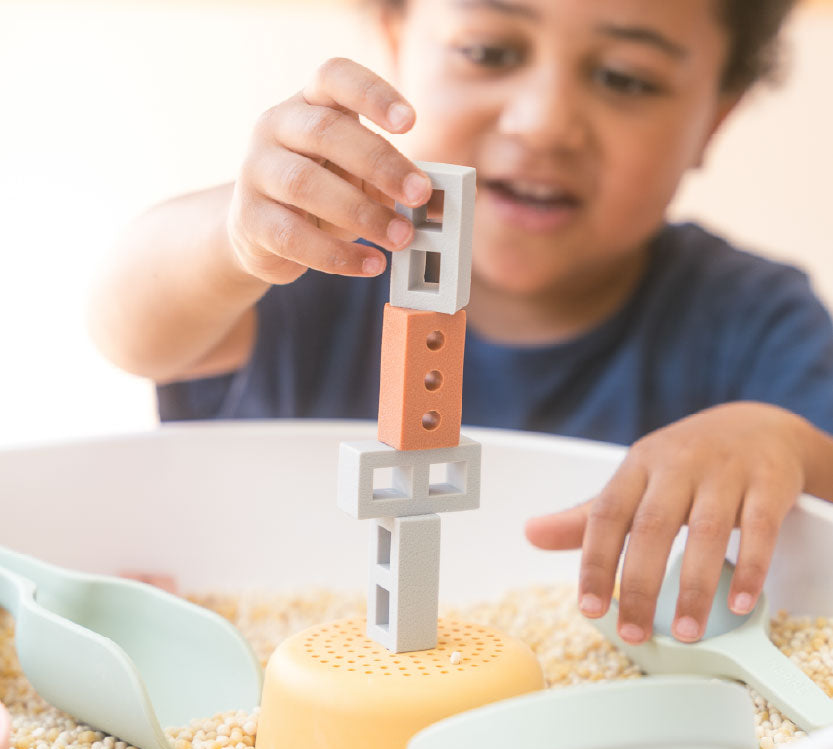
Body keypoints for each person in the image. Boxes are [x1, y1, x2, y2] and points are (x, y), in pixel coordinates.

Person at [89, 0, 833, 650]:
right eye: (488, 51)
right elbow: (129, 326)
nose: (542, 122)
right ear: (395, 38)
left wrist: (781, 442)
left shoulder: (752, 317)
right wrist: (235, 236)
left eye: (625, 78)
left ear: (716, 116)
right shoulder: (311, 255)